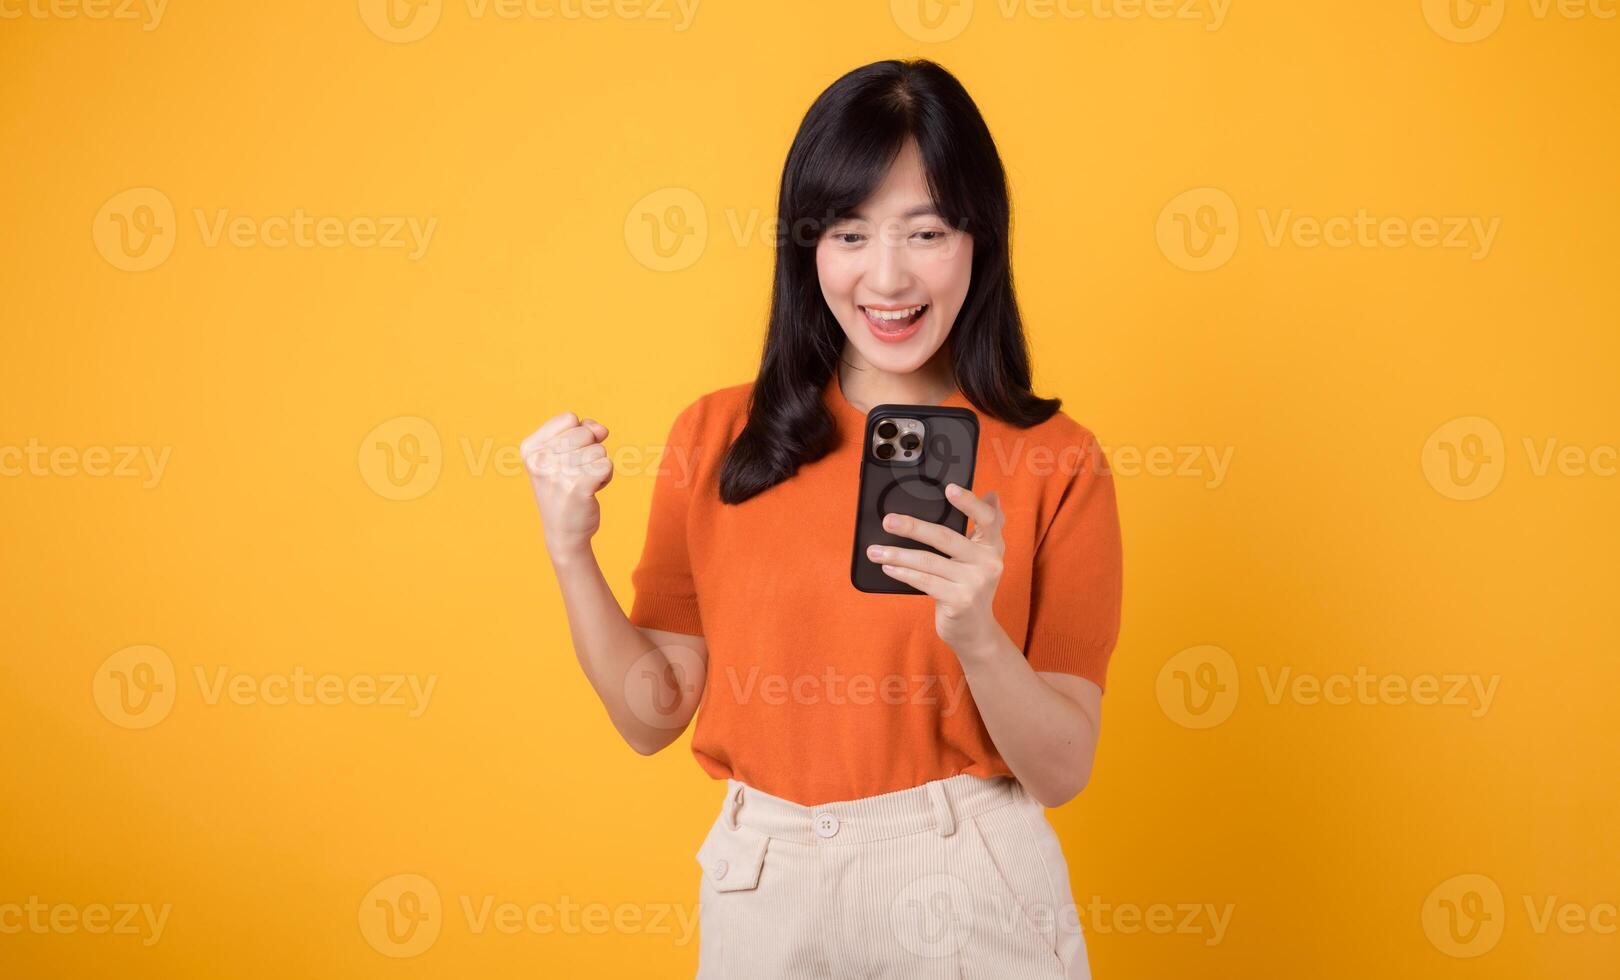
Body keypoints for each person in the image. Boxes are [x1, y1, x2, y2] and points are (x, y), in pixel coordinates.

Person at [523, 58, 1123, 979]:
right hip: (767, 882)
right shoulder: (718, 435)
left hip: (968, 874)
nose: (886, 276)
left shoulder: (1057, 460)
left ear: (979, 242)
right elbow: (653, 716)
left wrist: (977, 635)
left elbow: (1061, 770)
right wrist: (570, 552)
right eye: (850, 233)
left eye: (926, 231)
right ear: (808, 248)